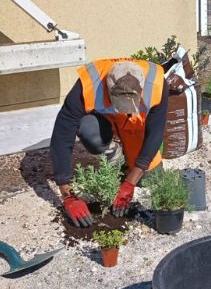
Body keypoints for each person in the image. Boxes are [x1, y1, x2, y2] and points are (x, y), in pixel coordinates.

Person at [51, 59, 167, 227]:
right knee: (88, 129)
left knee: (150, 178)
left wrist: (130, 182)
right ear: (108, 88)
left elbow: (156, 133)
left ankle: (130, 161)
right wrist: (68, 195)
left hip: (136, 126)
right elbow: (61, 135)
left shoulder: (156, 82)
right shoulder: (89, 84)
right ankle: (114, 155)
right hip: (107, 122)